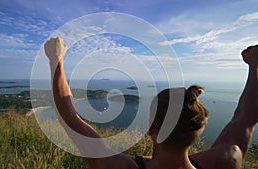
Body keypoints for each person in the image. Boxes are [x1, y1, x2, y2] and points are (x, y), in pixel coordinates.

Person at [45, 37, 258, 169]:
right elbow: (246, 119)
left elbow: (69, 117)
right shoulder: (224, 160)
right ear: (197, 131)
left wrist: (57, 60)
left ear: (152, 129)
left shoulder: (120, 166)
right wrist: (254, 65)